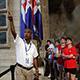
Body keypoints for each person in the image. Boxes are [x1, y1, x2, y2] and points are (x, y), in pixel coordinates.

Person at [8, 12, 39, 80]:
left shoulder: (33, 46)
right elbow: (13, 32)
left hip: (30, 71)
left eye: (28, 32)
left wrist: (36, 70)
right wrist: (11, 21)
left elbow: (35, 58)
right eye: (25, 32)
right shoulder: (20, 41)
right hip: (20, 69)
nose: (26, 34)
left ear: (31, 34)